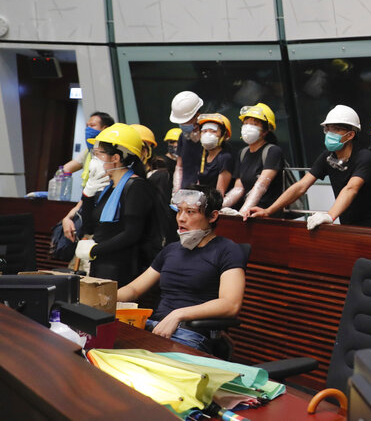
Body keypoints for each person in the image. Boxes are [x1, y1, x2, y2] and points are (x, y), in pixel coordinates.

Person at [116, 188, 246, 353]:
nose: (181, 219)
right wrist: (104, 297)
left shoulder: (227, 250)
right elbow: (133, 289)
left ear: (212, 216)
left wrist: (178, 315)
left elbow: (230, 304)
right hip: (153, 327)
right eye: (179, 211)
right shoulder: (171, 250)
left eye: (190, 212)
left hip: (189, 333)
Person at [246, 105, 371, 229]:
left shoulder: (364, 157)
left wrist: (329, 215)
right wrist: (268, 211)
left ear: (350, 134)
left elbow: (351, 188)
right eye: (328, 129)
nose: (330, 133)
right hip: (346, 225)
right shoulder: (328, 156)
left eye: (336, 129)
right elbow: (301, 186)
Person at [73, 124, 158, 287]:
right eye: (94, 154)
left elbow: (132, 234)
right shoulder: (106, 186)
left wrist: (95, 250)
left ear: (116, 157)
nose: (94, 159)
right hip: (101, 264)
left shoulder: (136, 186)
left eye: (99, 154)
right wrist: (88, 195)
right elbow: (90, 228)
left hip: (122, 267)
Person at [58, 111, 116, 241]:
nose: (88, 129)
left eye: (92, 125)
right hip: (87, 202)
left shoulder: (113, 159)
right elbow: (65, 169)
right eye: (87, 125)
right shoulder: (88, 152)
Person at [222, 103, 284, 217]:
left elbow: (260, 186)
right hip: (248, 214)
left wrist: (242, 213)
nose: (248, 127)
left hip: (267, 215)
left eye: (254, 124)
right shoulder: (243, 153)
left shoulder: (273, 151)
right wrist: (218, 207)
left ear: (265, 131)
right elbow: (238, 188)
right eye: (245, 123)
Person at [170, 91, 204, 192]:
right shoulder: (183, 137)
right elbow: (179, 166)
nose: (182, 124)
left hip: (202, 192)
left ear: (197, 116)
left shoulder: (209, 139)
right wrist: (176, 190)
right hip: (185, 191)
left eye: (185, 121)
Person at [195, 114, 234, 195]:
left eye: (213, 131)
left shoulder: (225, 158)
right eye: (204, 131)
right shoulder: (203, 155)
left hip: (215, 204)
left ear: (224, 135)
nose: (207, 134)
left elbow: (219, 193)